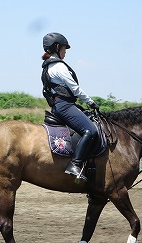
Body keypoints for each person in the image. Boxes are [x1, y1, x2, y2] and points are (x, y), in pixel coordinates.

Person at [41, 32, 99, 182]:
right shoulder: (59, 67)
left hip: (59, 105)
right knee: (90, 130)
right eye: (64, 49)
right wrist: (91, 102)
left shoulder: (48, 66)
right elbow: (75, 89)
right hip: (65, 106)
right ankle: (75, 164)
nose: (65, 52)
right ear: (57, 47)